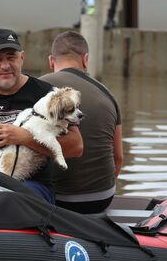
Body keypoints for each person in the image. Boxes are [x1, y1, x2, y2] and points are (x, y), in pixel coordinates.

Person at [0, 28, 83, 203]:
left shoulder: (45, 94)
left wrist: (25, 138)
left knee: (12, 199)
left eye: (11, 57)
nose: (5, 66)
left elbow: (76, 147)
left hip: (30, 185)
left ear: (22, 58)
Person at [39, 31, 123, 214]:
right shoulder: (108, 94)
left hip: (57, 200)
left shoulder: (38, 87)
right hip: (102, 198)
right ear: (85, 59)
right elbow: (118, 157)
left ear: (51, 61)